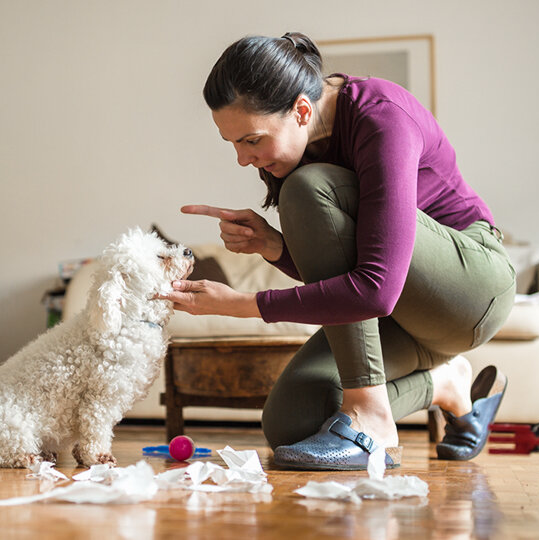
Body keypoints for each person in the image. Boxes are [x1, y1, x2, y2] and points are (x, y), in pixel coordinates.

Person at [161, 32, 515, 470]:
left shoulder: (380, 117)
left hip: (468, 291)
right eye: (233, 143)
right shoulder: (297, 151)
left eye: (251, 140)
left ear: (302, 110)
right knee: (292, 423)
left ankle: (372, 417)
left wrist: (243, 305)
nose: (242, 159)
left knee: (306, 189)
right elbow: (340, 275)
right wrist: (273, 246)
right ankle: (445, 383)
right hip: (402, 318)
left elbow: (376, 291)